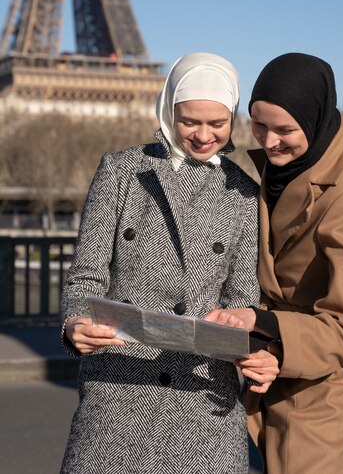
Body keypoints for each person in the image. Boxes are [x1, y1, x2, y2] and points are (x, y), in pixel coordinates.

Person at [59, 52, 279, 474]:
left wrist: (251, 349)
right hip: (118, 394)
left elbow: (242, 300)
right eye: (189, 121)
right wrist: (73, 325)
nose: (203, 135)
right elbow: (86, 277)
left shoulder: (246, 192)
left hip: (204, 403)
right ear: (167, 110)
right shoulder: (121, 171)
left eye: (218, 124)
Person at [205, 53, 343, 473]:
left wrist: (262, 324)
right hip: (279, 354)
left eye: (285, 130)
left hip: (328, 372)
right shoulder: (286, 165)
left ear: (315, 118)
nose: (268, 142)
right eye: (259, 124)